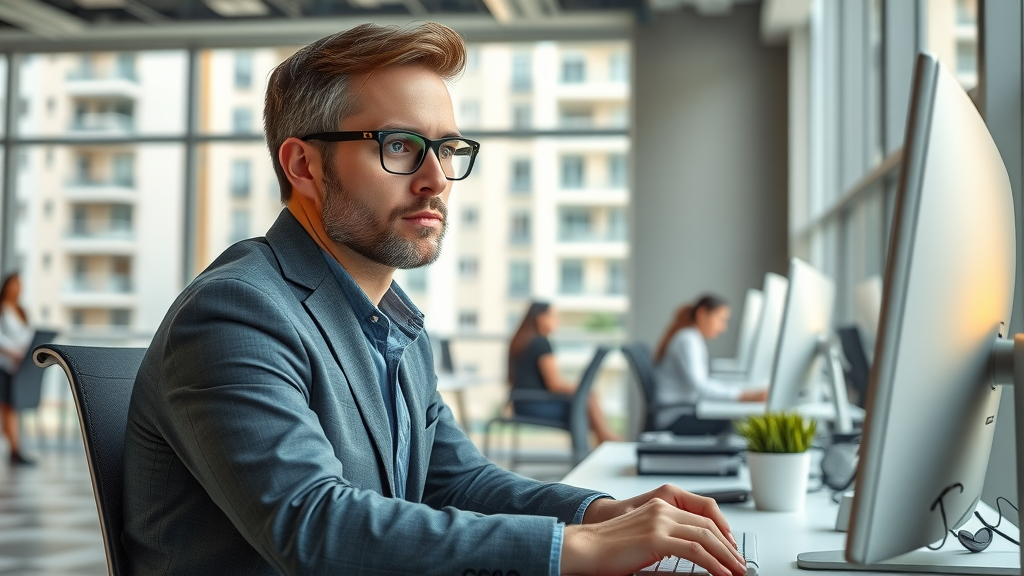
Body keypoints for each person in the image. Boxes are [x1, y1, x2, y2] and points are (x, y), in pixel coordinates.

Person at [122, 22, 748, 576]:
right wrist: (577, 549)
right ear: (304, 166)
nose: (437, 179)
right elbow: (314, 527)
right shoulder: (236, 313)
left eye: (447, 148)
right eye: (399, 145)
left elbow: (456, 481)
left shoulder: (393, 322)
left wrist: (604, 515)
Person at [508, 301, 621, 443]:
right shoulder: (541, 343)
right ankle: (604, 438)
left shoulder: (520, 342)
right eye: (553, 316)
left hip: (520, 404)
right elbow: (555, 384)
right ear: (541, 318)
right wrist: (582, 389)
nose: (557, 321)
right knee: (587, 399)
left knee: (586, 399)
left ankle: (604, 438)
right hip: (537, 404)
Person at [653, 295, 768, 433]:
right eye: (721, 319)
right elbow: (701, 387)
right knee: (734, 422)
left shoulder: (691, 337)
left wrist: (742, 394)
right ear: (702, 314)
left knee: (732, 417)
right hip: (675, 417)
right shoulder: (688, 340)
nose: (723, 328)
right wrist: (745, 396)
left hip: (682, 409)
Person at [0, 272, 34, 466]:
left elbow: (26, 335)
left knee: (11, 407)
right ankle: (14, 449)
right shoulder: (2, 308)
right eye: (14, 284)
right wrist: (12, 352)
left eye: (20, 284)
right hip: (4, 365)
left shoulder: (21, 311)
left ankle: (15, 449)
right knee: (7, 408)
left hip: (18, 367)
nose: (18, 288)